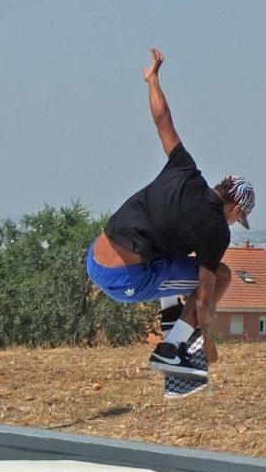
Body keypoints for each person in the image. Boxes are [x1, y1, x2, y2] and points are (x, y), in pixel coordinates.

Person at [86, 48, 255, 380]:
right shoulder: (215, 231)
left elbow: (163, 119)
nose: (235, 223)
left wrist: (153, 80)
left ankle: (169, 322)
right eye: (239, 218)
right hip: (124, 281)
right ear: (234, 207)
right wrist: (208, 342)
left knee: (173, 246)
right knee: (220, 276)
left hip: (94, 257)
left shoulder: (185, 169)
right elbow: (205, 300)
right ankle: (171, 350)